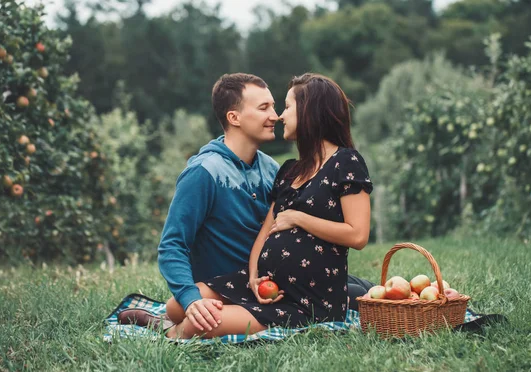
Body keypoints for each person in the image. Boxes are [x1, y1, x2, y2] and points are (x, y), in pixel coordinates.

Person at [118, 73, 374, 334]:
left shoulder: (273, 167)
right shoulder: (206, 172)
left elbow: (340, 229)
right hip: (244, 281)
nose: (276, 116)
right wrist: (196, 298)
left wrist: (297, 220)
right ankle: (170, 321)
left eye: (279, 107)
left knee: (365, 292)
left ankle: (168, 329)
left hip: (296, 287)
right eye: (265, 108)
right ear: (234, 117)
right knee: (177, 306)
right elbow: (173, 245)